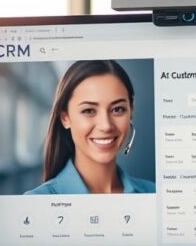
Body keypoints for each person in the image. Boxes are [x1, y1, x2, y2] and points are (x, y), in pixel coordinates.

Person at [26, 60, 155, 195]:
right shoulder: (35, 200)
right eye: (88, 111)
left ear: (131, 112)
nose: (106, 126)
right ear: (65, 118)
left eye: (117, 109)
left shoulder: (154, 192)